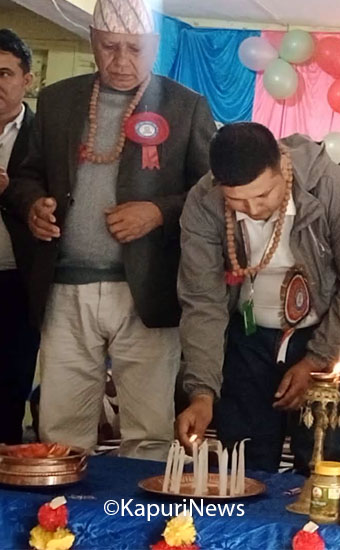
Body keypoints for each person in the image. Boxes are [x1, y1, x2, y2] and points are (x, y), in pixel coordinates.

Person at [2, 0, 216, 459]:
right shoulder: (59, 100)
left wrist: (157, 212)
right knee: (59, 429)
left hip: (147, 290)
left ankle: (136, 504)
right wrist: (32, 204)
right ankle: (63, 505)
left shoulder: (186, 106)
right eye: (109, 47)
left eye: (134, 49)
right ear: (92, 42)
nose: (120, 61)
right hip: (65, 287)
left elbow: (211, 194)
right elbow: (25, 175)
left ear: (155, 46)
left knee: (149, 431)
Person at [176, 123, 340, 471]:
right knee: (243, 456)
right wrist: (202, 393)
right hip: (249, 334)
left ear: (282, 168)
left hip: (329, 330)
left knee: (321, 457)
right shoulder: (204, 201)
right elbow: (203, 301)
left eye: (264, 195)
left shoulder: (329, 187)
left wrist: (316, 360)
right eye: (237, 200)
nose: (253, 209)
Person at [0, 28, 37, 444]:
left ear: (27, 79)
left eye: (4, 73)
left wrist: (11, 192)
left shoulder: (45, 133)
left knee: (10, 387)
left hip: (19, 280)